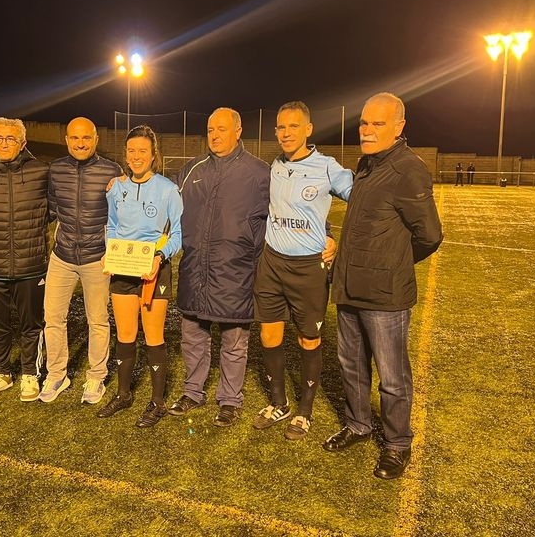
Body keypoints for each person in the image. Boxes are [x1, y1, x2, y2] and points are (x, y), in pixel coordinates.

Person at [323, 92, 443, 480]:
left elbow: (429, 235)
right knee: (351, 366)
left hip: (385, 296)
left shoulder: (409, 169)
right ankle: (358, 425)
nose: (367, 130)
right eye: (364, 123)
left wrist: (391, 265)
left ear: (399, 127)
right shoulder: (368, 165)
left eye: (377, 123)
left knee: (392, 376)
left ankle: (397, 444)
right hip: (348, 288)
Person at [252, 101, 353, 439]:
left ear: (308, 129)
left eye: (293, 126)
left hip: (308, 268)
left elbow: (362, 198)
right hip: (272, 262)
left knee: (308, 339)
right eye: (280, 127)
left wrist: (335, 239)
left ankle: (304, 412)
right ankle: (279, 404)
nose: (285, 133)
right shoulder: (275, 167)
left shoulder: (327, 167)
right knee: (269, 334)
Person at [168, 107, 270, 428]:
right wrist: (123, 182)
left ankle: (229, 400)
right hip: (195, 271)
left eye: (222, 129)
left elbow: (286, 211)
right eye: (211, 129)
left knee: (234, 342)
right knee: (193, 337)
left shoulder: (259, 173)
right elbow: (158, 195)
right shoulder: (191, 170)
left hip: (236, 274)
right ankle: (193, 391)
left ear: (238, 131)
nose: (214, 135)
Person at [97, 125, 183, 428]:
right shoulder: (116, 188)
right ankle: (123, 395)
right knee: (125, 334)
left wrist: (159, 257)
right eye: (131, 150)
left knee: (154, 335)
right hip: (123, 267)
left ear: (153, 155)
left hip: (153, 270)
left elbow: (178, 236)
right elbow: (111, 226)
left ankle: (157, 401)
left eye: (142, 151)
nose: (136, 156)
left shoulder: (168, 189)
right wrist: (110, 250)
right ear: (126, 154)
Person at [42, 117, 122, 405]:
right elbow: (51, 207)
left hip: (96, 258)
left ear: (96, 139)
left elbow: (121, 214)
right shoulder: (56, 169)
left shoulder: (112, 170)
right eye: (75, 138)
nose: (80, 143)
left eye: (86, 138)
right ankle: (56, 374)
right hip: (62, 256)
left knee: (98, 320)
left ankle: (96, 376)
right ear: (66, 139)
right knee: (52, 318)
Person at [0, 118, 49, 402]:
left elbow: (51, 212)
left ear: (23, 143)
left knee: (32, 324)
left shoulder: (42, 172)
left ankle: (30, 373)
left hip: (30, 266)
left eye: (11, 139)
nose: (4, 143)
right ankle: (1, 371)